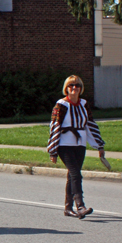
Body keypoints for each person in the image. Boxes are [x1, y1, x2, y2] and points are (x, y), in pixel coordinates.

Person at [47, 75, 105, 219]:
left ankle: (68, 208)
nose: (74, 88)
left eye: (77, 85)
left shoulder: (84, 104)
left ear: (81, 88)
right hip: (64, 145)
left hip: (80, 144)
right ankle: (80, 206)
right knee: (76, 174)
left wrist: (99, 145)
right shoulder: (61, 104)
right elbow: (54, 127)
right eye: (71, 86)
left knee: (72, 176)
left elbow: (90, 124)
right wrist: (53, 150)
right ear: (66, 88)